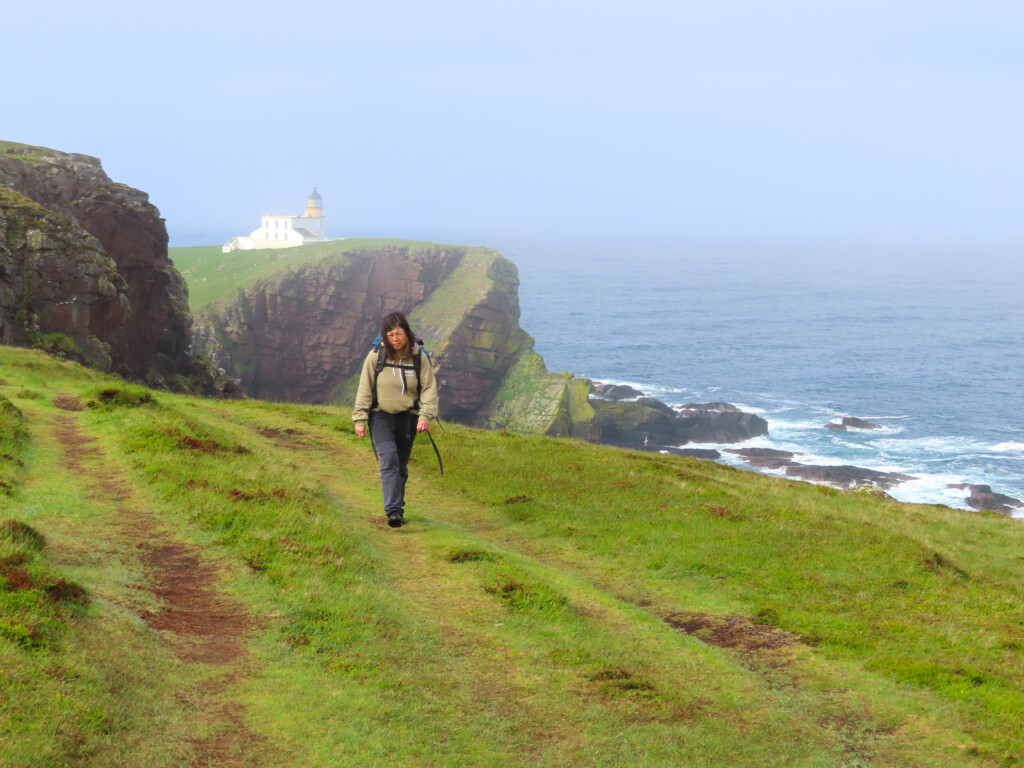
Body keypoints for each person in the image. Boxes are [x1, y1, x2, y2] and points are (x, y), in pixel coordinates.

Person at [353, 312, 438, 528]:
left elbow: (429, 389)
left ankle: (397, 510)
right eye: (390, 335)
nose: (395, 339)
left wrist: (425, 416)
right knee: (389, 458)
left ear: (407, 333)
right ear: (385, 336)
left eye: (399, 334)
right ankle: (393, 510)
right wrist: (360, 419)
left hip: (408, 417)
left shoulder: (419, 358)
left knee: (400, 464)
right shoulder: (376, 355)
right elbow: (365, 387)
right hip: (380, 415)